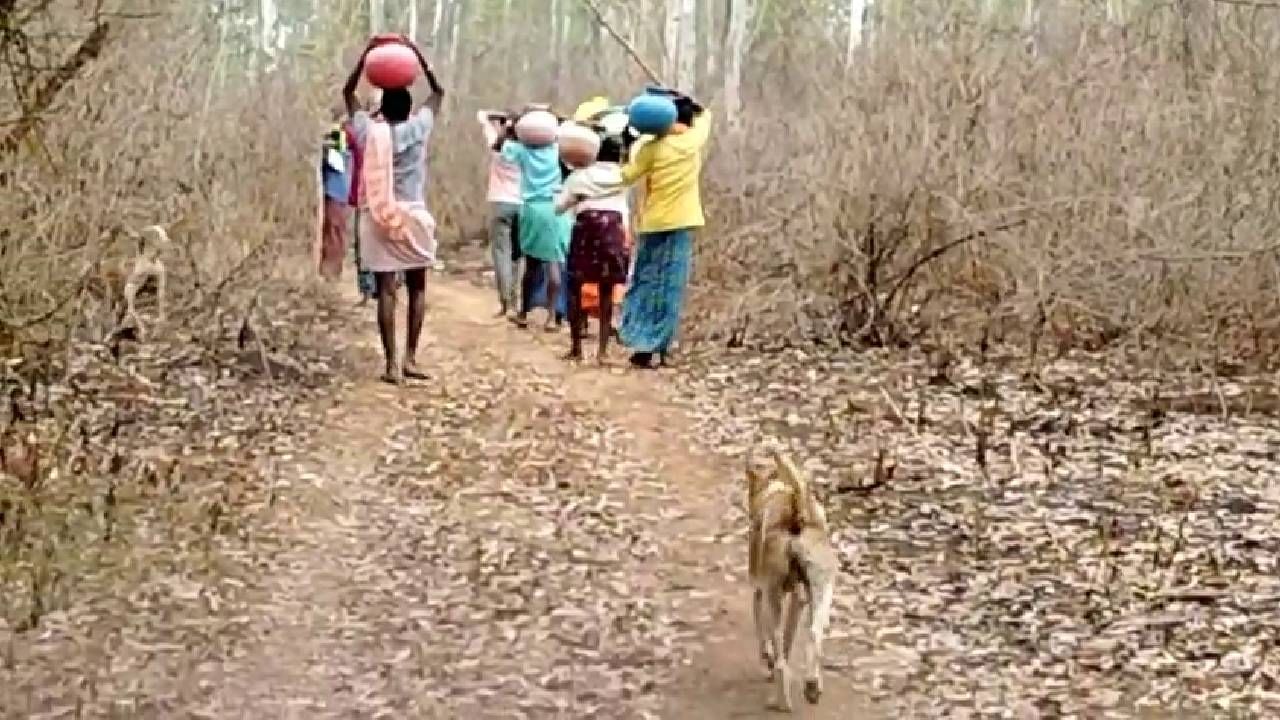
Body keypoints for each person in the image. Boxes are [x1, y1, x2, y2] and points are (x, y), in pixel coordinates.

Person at [342, 36, 445, 384]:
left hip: (379, 217)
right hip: (413, 216)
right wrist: (418, 57)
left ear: (382, 108)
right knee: (418, 288)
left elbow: (348, 95)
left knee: (386, 290)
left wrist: (364, 57)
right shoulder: (419, 127)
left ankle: (390, 365)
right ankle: (411, 359)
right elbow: (438, 94)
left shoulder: (369, 131)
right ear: (408, 108)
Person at [613, 91, 711, 369]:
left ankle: (640, 341)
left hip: (653, 223)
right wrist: (678, 97)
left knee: (645, 280)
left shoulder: (649, 148)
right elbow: (705, 115)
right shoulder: (692, 141)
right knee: (670, 286)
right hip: (681, 223)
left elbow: (626, 176)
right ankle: (662, 344)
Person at [556, 134, 630, 363]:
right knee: (606, 290)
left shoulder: (580, 176)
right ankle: (603, 351)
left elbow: (559, 207)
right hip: (613, 231)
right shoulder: (624, 176)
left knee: (575, 287)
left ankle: (576, 347)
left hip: (585, 230)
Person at [497, 107, 570, 332]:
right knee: (555, 262)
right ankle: (553, 316)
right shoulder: (558, 149)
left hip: (532, 209)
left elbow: (498, 146)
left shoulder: (522, 151)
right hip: (557, 209)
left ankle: (522, 313)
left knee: (532, 263)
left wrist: (510, 127)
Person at [478, 110, 521, 316]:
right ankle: (515, 299)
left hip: (500, 203)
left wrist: (501, 116)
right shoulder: (528, 149)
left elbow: (482, 115)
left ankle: (506, 303)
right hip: (523, 204)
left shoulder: (497, 144)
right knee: (517, 256)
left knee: (501, 253)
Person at [317, 119, 351, 281]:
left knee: (334, 232)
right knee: (334, 232)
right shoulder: (340, 149)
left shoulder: (339, 150)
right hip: (336, 193)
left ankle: (331, 271)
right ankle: (331, 269)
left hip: (337, 193)